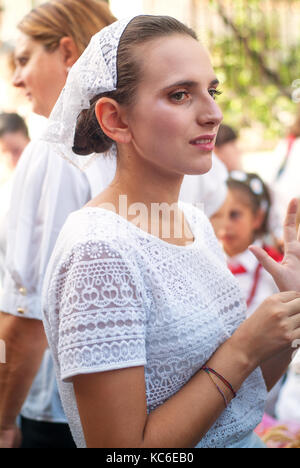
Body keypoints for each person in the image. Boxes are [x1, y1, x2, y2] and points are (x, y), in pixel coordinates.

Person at [41, 15, 300, 448]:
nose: (213, 113)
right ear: (115, 120)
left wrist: (288, 313)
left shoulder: (194, 222)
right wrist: (242, 348)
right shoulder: (100, 251)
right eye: (180, 95)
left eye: (212, 91)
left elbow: (238, 400)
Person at [0, 0, 116, 449]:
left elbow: (29, 316)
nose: (16, 78)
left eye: (25, 59)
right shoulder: (140, 142)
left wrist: (4, 420)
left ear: (68, 53)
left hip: (57, 410)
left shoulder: (56, 150)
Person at [210, 171, 282, 317]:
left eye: (234, 215)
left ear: (257, 217)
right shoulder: (208, 260)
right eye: (218, 214)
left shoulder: (276, 268)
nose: (225, 225)